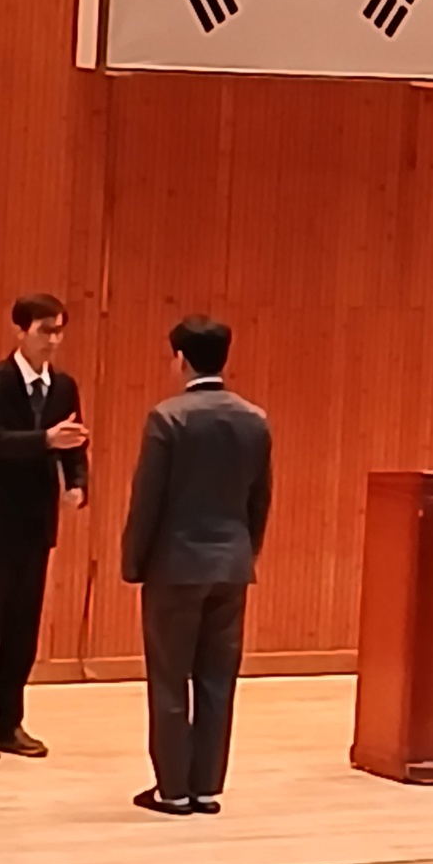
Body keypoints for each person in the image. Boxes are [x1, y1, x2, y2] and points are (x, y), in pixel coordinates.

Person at [121, 315, 272, 815]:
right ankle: (206, 786)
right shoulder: (255, 419)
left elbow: (148, 500)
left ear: (180, 359)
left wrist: (134, 561)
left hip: (176, 566)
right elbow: (259, 499)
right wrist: (245, 552)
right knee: (217, 679)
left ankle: (172, 789)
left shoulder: (168, 419)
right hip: (231, 565)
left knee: (170, 678)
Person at [0, 294, 89, 760]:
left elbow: (74, 441)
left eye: (59, 330)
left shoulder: (64, 386)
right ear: (20, 331)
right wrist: (45, 439)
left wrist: (77, 482)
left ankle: (10, 721)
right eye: (44, 330)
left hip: (38, 521)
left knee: (24, 626)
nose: (53, 340)